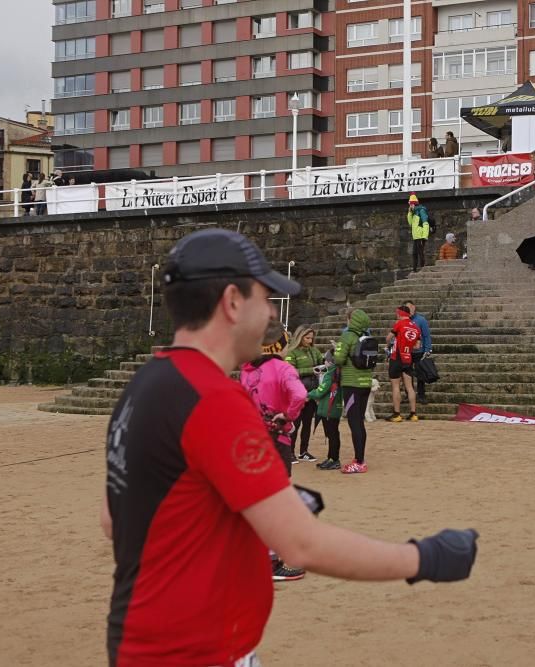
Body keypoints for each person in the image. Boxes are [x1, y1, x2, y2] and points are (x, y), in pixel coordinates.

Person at [102, 229, 478, 666]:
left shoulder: (145, 384)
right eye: (265, 299)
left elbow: (116, 519)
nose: (270, 316)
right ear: (232, 302)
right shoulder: (215, 400)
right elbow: (301, 545)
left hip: (140, 638)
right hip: (197, 649)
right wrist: (426, 557)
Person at [239, 320, 309, 582]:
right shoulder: (283, 369)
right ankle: (271, 561)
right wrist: (287, 415)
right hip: (275, 438)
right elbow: (300, 395)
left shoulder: (246, 370)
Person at [333, 307, 376, 474]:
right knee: (359, 422)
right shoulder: (366, 337)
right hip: (365, 383)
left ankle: (359, 461)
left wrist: (337, 350)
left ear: (351, 320)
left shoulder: (347, 336)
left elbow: (339, 358)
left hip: (352, 384)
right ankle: (360, 458)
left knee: (354, 421)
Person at [284, 324, 321, 462]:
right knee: (295, 424)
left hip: (312, 392)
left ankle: (304, 451)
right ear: (300, 337)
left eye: (311, 338)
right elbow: (290, 372)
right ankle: (290, 452)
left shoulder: (314, 350)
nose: (310, 341)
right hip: (297, 393)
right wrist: (311, 370)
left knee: (307, 424)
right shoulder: (291, 352)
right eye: (307, 338)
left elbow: (321, 363)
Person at [386, 305, 421, 422]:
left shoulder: (399, 324)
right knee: (410, 387)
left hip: (397, 357)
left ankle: (397, 414)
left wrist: (391, 343)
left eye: (397, 313)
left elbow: (388, 338)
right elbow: (417, 345)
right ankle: (413, 413)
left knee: (396, 386)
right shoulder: (415, 327)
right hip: (408, 358)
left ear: (400, 313)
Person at [311, 350, 344, 471]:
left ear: (330, 361)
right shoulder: (336, 373)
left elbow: (320, 391)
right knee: (333, 434)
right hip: (333, 409)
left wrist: (307, 394)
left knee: (332, 435)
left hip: (329, 409)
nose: (324, 362)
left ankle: (334, 459)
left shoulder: (331, 374)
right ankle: (331, 457)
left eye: (326, 360)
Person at [405, 299, 432, 400]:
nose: (409, 310)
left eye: (411, 307)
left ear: (414, 307)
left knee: (420, 373)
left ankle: (421, 394)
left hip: (419, 351)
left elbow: (426, 335)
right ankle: (408, 394)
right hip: (407, 351)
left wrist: (428, 349)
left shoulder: (421, 320)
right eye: (407, 308)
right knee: (407, 374)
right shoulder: (403, 320)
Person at [407, 193, 430, 272]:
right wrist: (410, 213)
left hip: (420, 236)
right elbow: (410, 223)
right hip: (415, 236)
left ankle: (422, 268)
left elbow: (425, 223)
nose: (410, 206)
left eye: (410, 204)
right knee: (414, 253)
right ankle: (414, 269)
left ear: (414, 204)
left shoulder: (421, 210)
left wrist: (425, 236)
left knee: (420, 253)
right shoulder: (413, 213)